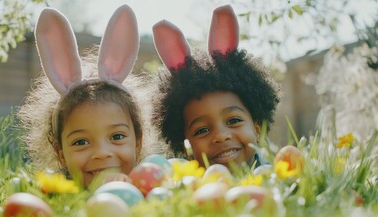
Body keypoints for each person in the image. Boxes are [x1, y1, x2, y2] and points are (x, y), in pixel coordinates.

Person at [18, 5, 145, 188]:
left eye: (117, 136)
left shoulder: (154, 190)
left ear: (137, 142)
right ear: (61, 154)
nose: (101, 153)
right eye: (81, 142)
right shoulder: (56, 198)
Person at [151, 5, 281, 171]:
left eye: (234, 121)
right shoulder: (185, 192)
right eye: (202, 130)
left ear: (257, 130)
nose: (220, 136)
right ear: (185, 149)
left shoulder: (281, 181)